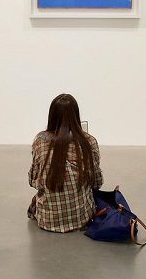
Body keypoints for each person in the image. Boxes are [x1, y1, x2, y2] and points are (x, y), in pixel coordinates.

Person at [28, 93, 104, 232]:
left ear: (52, 116)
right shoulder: (89, 141)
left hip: (47, 221)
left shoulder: (40, 141)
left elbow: (33, 181)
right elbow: (97, 182)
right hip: (82, 218)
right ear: (76, 115)